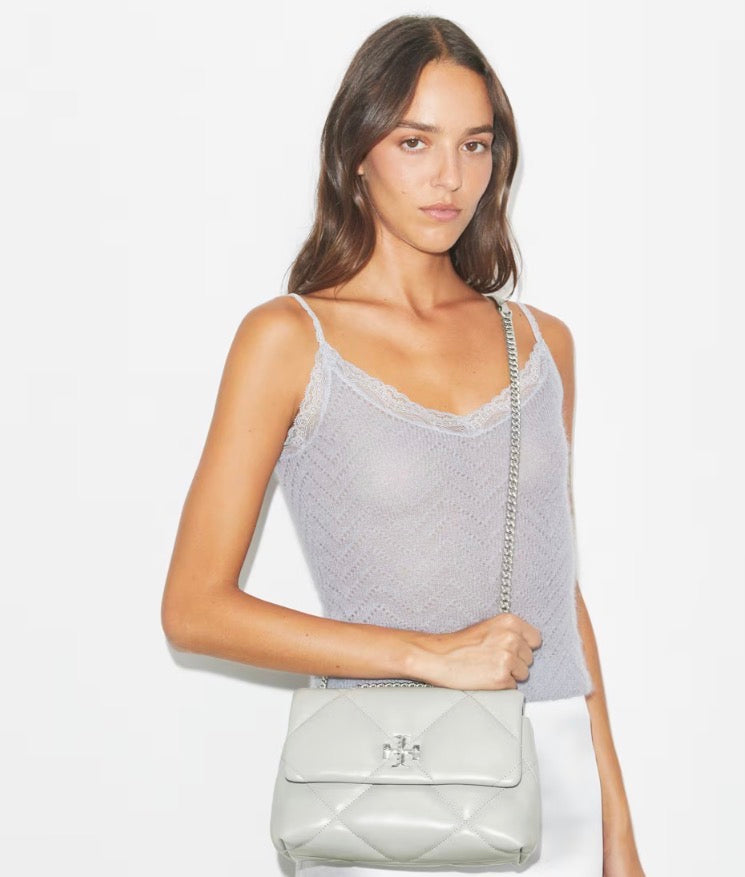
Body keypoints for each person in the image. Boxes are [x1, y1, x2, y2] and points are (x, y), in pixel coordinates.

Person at [161, 14, 645, 877]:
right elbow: (193, 609)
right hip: (387, 772)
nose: (449, 177)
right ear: (357, 152)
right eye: (414, 141)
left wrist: (618, 831)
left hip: (552, 770)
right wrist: (428, 655)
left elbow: (558, 589)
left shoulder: (540, 344)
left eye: (474, 145)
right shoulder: (288, 339)